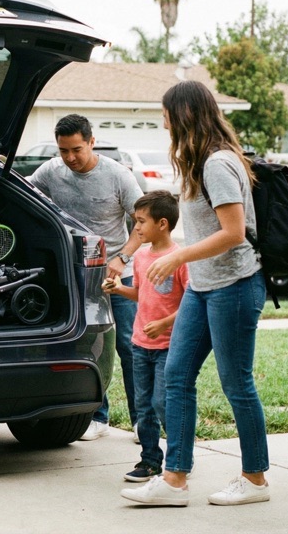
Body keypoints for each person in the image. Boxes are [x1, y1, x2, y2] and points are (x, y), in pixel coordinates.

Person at [121, 80, 269, 507]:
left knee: (236, 383)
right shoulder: (196, 163)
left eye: (167, 114)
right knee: (177, 377)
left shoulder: (218, 164)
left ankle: (255, 479)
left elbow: (235, 233)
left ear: (184, 115)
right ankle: (174, 480)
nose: (163, 122)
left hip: (235, 287)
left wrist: (178, 256)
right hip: (204, 288)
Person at [30, 114, 144, 441]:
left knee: (128, 346)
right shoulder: (52, 170)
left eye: (76, 150)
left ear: (92, 142)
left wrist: (122, 258)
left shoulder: (118, 176)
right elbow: (26, 192)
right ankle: (98, 416)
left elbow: (142, 221)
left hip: (118, 274)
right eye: (63, 150)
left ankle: (142, 420)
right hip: (77, 276)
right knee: (90, 347)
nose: (70, 158)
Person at [103, 190, 188, 482]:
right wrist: (118, 289)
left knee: (164, 402)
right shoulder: (139, 258)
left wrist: (165, 323)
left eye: (141, 222)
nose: (136, 228)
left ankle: (179, 458)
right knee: (144, 406)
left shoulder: (179, 259)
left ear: (162, 224)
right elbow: (141, 294)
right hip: (140, 345)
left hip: (168, 346)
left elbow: (192, 303)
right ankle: (150, 461)